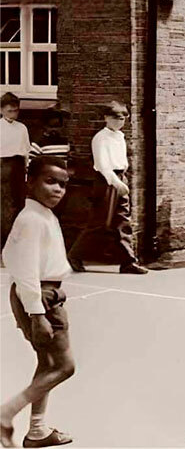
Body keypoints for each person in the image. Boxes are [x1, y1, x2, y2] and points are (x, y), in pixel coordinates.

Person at [1, 157, 75, 448]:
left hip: (41, 295)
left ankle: (37, 431)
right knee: (64, 366)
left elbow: (9, 255)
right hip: (41, 298)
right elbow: (25, 269)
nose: (58, 189)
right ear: (30, 182)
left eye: (63, 184)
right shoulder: (32, 219)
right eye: (50, 181)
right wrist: (37, 313)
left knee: (47, 364)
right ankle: (6, 414)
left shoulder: (40, 214)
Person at [67, 101, 147, 275]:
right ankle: (74, 255)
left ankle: (128, 262)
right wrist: (117, 183)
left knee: (122, 221)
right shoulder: (100, 138)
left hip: (120, 177)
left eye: (122, 118)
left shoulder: (120, 136)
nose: (119, 122)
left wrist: (122, 179)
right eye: (115, 118)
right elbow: (103, 166)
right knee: (100, 222)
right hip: (106, 181)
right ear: (106, 118)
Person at [1, 92, 31, 249]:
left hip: (18, 167)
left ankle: (16, 243)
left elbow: (26, 151)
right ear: (2, 110)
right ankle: (4, 244)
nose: (14, 113)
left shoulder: (22, 128)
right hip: (3, 167)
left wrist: (26, 171)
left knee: (20, 204)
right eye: (10, 110)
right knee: (6, 205)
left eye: (16, 110)